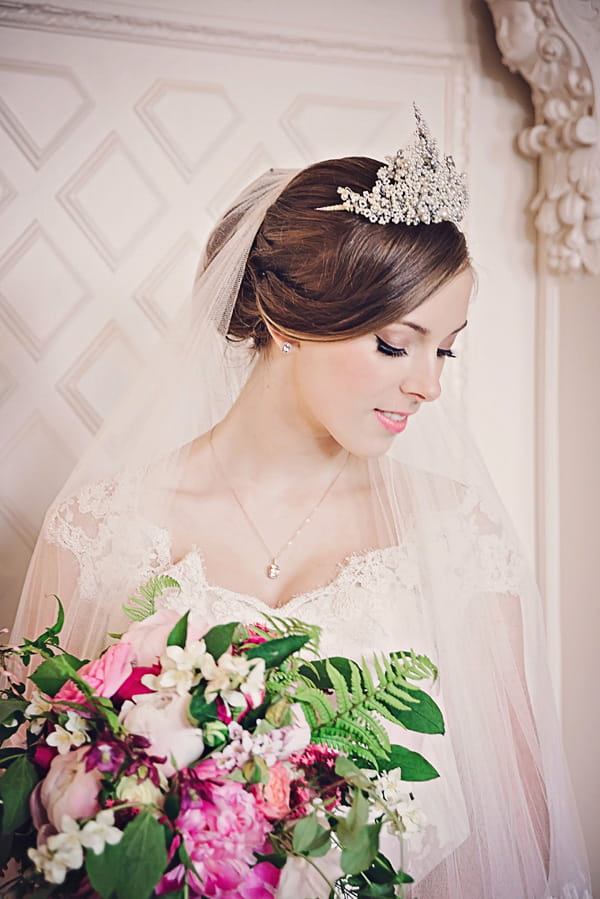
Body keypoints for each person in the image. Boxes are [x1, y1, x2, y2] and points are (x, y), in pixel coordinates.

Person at [10, 108, 592, 897]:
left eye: (444, 348)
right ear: (289, 319)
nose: (429, 384)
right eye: (396, 343)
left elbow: (518, 834)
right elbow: (30, 817)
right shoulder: (97, 531)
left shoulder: (458, 534)